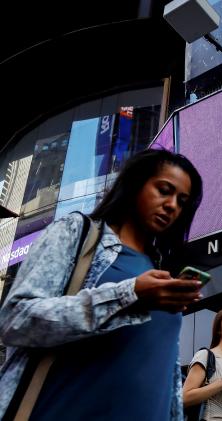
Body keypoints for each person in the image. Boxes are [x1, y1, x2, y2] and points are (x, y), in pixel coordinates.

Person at [0, 148, 204, 420]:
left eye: (182, 201)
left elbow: (168, 380)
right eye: (164, 190)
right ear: (134, 186)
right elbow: (15, 319)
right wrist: (128, 294)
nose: (172, 205)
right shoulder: (77, 233)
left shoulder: (159, 273)